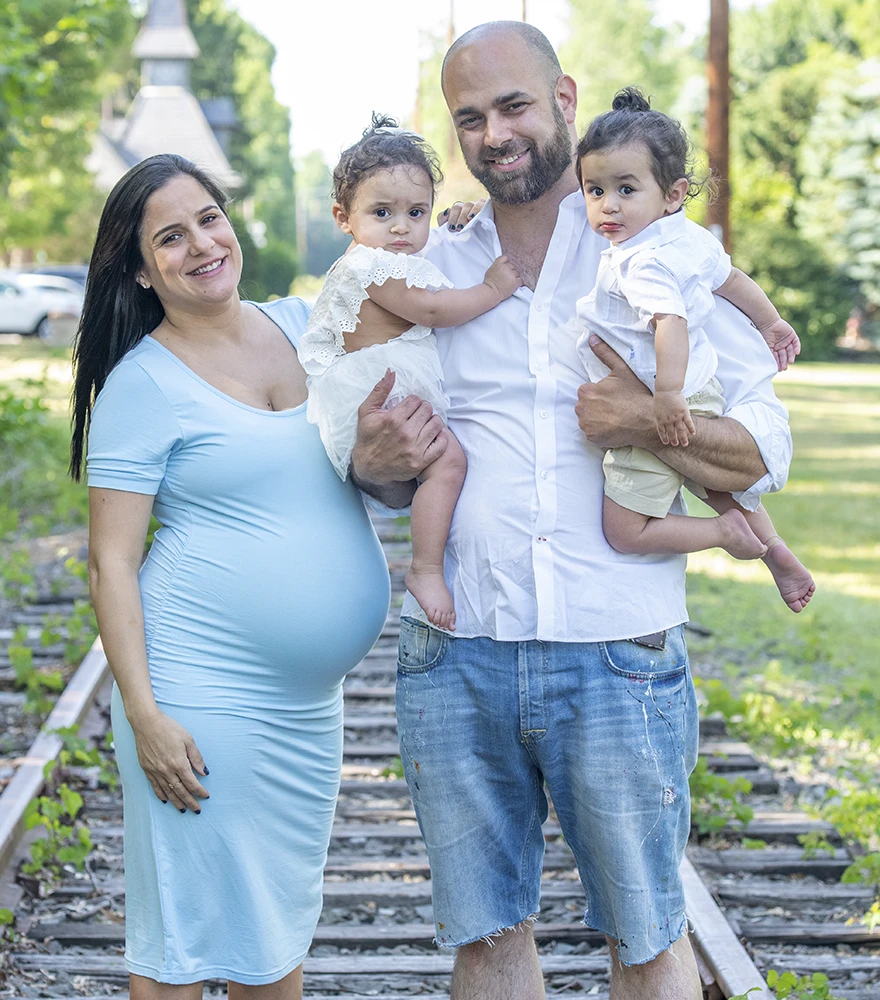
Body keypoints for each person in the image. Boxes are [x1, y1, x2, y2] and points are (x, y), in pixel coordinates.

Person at [348, 21, 794, 1000]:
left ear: (563, 98)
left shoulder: (661, 250)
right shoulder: (431, 265)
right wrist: (371, 462)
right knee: (487, 942)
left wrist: (650, 420)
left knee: (645, 940)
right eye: (469, 118)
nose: (493, 135)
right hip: (457, 651)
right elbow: (385, 468)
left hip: (616, 646)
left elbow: (767, 453)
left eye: (512, 106)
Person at [70, 153, 390, 999]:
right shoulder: (142, 384)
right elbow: (111, 561)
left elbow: (417, 301)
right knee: (185, 944)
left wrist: (460, 235)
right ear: (141, 269)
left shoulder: (302, 323)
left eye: (208, 218)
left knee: (272, 935)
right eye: (169, 238)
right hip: (200, 694)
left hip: (304, 710)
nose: (201, 244)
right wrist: (143, 714)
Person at [575, 88, 815, 613]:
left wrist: (665, 395)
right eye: (594, 190)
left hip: (658, 393)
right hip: (699, 388)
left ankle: (723, 536)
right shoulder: (687, 238)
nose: (608, 204)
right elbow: (732, 280)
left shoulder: (641, 260)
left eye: (625, 189)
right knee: (720, 485)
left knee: (625, 530)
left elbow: (669, 321)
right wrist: (771, 321)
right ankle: (774, 550)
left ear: (673, 193)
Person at [299, 114, 520, 631]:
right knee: (449, 464)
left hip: (374, 389)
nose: (401, 227)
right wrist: (493, 288)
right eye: (382, 212)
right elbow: (435, 311)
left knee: (442, 466)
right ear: (343, 216)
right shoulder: (371, 266)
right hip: (379, 395)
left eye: (416, 212)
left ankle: (426, 566)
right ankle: (425, 570)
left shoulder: (385, 257)